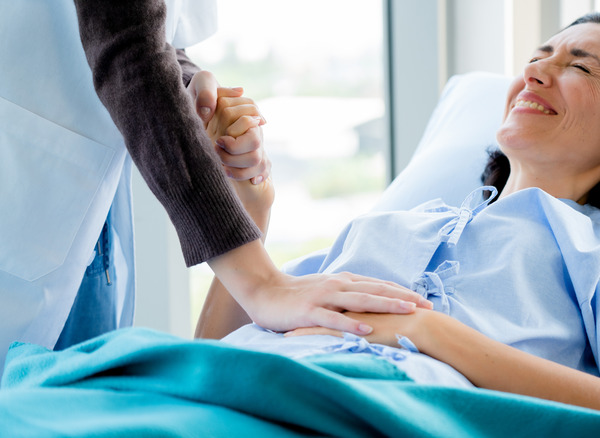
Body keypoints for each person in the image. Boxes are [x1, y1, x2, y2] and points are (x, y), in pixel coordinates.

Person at [198, 12, 600, 438]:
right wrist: (250, 212)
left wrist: (428, 332)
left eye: (579, 66)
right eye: (539, 57)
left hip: (380, 410)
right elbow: (213, 350)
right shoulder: (385, 227)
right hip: (225, 396)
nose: (536, 71)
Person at [0, 0, 427, 376]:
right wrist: (261, 283)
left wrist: (187, 89)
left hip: (83, 204)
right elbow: (129, 49)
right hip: (32, 194)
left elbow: (148, 33)